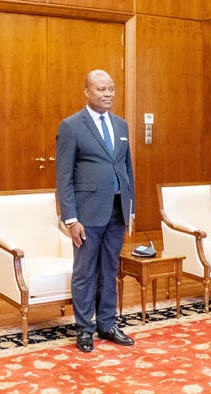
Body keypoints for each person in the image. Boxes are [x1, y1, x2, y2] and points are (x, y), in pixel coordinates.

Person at [56, 70, 136, 353]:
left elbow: (126, 169)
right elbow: (64, 177)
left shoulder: (121, 125)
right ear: (87, 92)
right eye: (101, 89)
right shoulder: (71, 126)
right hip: (87, 214)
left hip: (116, 210)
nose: (108, 94)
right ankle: (84, 328)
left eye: (111, 89)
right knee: (85, 272)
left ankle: (107, 323)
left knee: (110, 269)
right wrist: (71, 219)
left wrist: (131, 208)